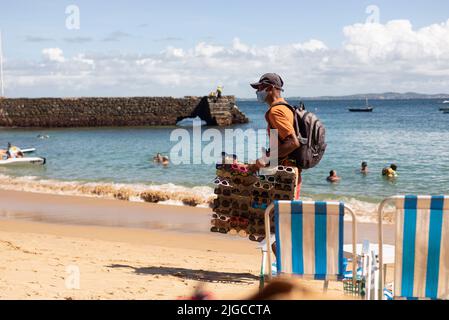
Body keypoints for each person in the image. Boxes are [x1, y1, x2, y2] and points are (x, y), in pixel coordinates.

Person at [249, 73, 302, 200]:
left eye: (260, 88)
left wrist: (264, 160)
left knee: (278, 216)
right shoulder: (286, 107)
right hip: (291, 172)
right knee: (283, 216)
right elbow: (282, 141)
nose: (257, 92)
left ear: (270, 88)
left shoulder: (276, 111)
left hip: (285, 176)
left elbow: (293, 142)